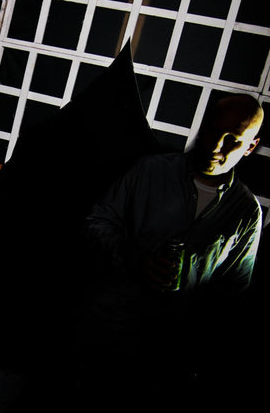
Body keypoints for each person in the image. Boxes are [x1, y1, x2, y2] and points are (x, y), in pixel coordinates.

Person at [76, 93, 264, 395]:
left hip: (168, 354)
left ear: (251, 147)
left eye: (232, 140)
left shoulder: (245, 211)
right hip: (107, 331)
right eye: (213, 130)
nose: (216, 145)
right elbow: (96, 222)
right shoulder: (150, 170)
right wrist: (135, 259)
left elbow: (232, 293)